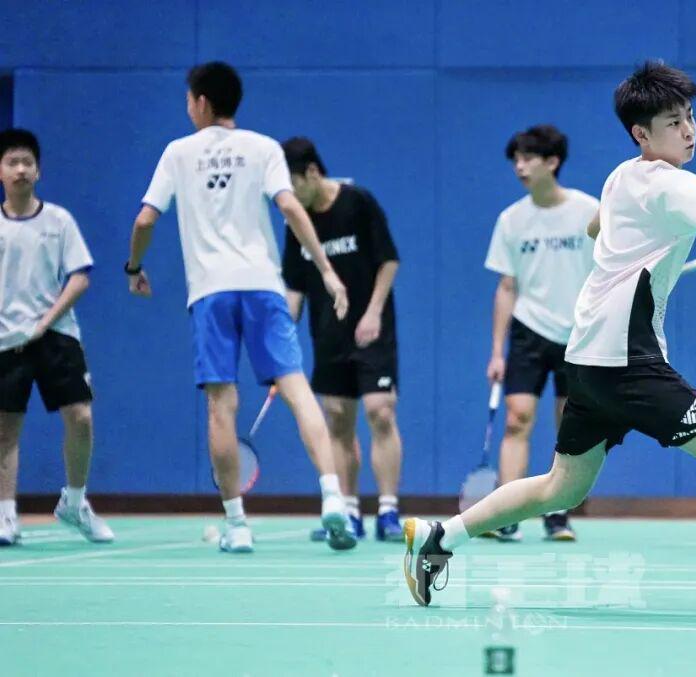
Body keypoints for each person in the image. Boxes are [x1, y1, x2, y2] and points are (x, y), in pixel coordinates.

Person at [403, 62, 696, 619]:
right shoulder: (669, 182)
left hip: (588, 353)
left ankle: (439, 537)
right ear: (641, 133)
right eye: (673, 122)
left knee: (562, 488)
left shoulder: (621, 176)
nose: (688, 130)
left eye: (690, 117)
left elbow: (595, 228)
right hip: (625, 356)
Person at [125, 62, 355, 553]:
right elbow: (290, 207)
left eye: (189, 99)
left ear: (202, 102)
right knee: (298, 391)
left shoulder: (177, 153)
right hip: (263, 286)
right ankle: (333, 497)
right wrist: (326, 270)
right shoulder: (264, 147)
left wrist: (134, 267)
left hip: (211, 292)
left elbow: (145, 220)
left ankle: (237, 525)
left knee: (221, 405)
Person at [281, 136, 406, 543]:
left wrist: (373, 312)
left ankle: (388, 510)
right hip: (327, 332)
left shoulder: (358, 202)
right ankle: (349, 510)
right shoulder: (296, 221)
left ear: (312, 172)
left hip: (372, 327)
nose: (287, 195)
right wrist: (281, 338)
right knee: (337, 418)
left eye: (292, 183)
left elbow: (389, 260)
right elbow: (295, 286)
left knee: (381, 412)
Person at [482, 124, 598, 542]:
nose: (520, 166)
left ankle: (558, 513)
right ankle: (506, 514)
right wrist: (497, 351)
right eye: (516, 159)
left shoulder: (589, 211)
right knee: (517, 419)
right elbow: (506, 286)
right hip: (529, 331)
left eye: (528, 158)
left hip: (578, 333)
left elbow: (608, 269)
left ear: (552, 162)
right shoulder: (511, 219)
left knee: (569, 425)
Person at [0, 128, 113, 546]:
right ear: (0, 171)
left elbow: (80, 277)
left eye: (27, 162)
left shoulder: (59, 221)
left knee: (80, 416)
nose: (21, 169)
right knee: (6, 428)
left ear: (39, 171)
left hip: (57, 335)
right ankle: (5, 516)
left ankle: (75, 502)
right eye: (12, 162)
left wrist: (45, 322)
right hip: (7, 339)